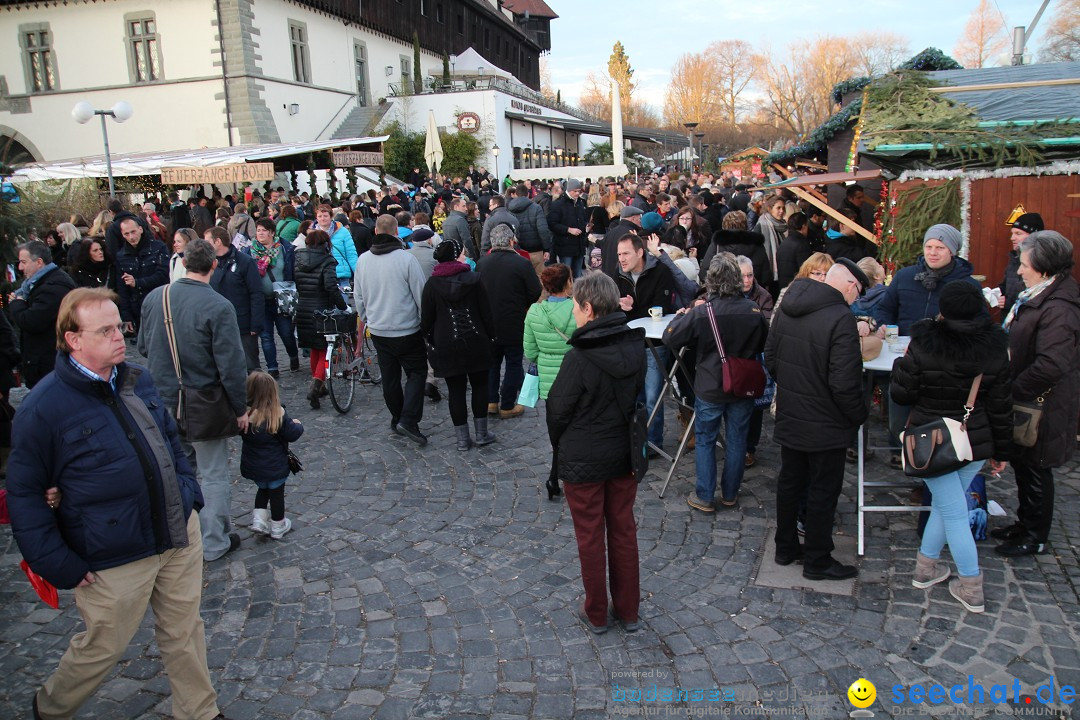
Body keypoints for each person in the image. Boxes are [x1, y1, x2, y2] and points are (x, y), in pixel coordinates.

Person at [8, 288, 223, 720]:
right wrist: (58, 563)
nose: (119, 336)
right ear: (73, 340)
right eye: (104, 330)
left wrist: (190, 494)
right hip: (114, 551)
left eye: (118, 325)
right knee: (103, 646)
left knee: (185, 630)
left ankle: (199, 711)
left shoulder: (137, 378)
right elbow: (25, 494)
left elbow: (169, 439)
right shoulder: (43, 408)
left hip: (177, 531)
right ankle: (49, 708)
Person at [890, 281, 1012, 613]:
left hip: (931, 442)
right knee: (949, 507)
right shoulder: (996, 348)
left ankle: (970, 586)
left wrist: (902, 365)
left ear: (943, 309)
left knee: (952, 510)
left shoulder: (923, 343)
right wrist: (1002, 451)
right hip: (974, 440)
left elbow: (902, 394)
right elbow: (1002, 406)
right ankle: (925, 568)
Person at [546, 272, 646, 634]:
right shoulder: (636, 346)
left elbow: (557, 410)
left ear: (588, 308)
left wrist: (561, 442)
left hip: (585, 459)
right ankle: (629, 610)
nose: (572, 312)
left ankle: (597, 613)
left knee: (590, 536)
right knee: (623, 530)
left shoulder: (579, 358)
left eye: (575, 305)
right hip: (623, 454)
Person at [138, 238, 249, 564]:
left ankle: (182, 537)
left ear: (183, 262)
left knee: (176, 470)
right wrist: (240, 408)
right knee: (213, 473)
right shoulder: (218, 305)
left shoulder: (155, 297)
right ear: (213, 265)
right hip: (204, 401)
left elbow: (144, 347)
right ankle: (214, 542)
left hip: (160, 400)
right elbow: (231, 366)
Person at [765, 258, 870, 581]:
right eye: (859, 292)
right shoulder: (840, 316)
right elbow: (845, 382)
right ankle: (818, 560)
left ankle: (785, 547)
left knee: (791, 482)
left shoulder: (789, 303)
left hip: (793, 411)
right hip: (826, 421)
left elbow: (771, 357)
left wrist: (795, 389)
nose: (857, 299)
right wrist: (858, 415)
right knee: (823, 490)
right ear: (851, 285)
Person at [995, 230, 1079, 557]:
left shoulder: (1059, 307)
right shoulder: (1039, 294)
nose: (1018, 270)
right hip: (1030, 400)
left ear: (1043, 267)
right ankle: (1024, 523)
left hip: (1044, 404)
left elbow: (1051, 365)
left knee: (1036, 467)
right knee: (1024, 464)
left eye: (1024, 263)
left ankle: (1035, 535)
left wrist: (1012, 391)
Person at [664, 253, 768, 512]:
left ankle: (705, 495)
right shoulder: (753, 311)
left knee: (706, 439)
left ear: (711, 280)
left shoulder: (704, 312)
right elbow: (764, 343)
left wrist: (680, 316)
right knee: (736, 440)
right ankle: (730, 493)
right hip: (743, 384)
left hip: (711, 384)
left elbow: (670, 338)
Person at [874, 224, 980, 466]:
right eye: (929, 246)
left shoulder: (967, 286)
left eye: (940, 247)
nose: (933, 252)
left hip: (943, 365)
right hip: (902, 357)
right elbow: (886, 309)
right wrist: (883, 325)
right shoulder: (904, 277)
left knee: (932, 415)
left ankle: (927, 457)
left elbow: (978, 323)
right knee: (898, 407)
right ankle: (898, 447)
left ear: (952, 251)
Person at [354, 214, 429, 445]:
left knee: (390, 377)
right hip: (406, 328)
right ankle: (407, 419)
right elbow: (420, 294)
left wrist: (368, 319)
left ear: (375, 232)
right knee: (417, 373)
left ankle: (397, 417)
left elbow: (358, 297)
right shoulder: (406, 260)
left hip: (379, 330)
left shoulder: (363, 260)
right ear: (397, 232)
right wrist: (423, 323)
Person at [421, 239, 498, 451]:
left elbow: (425, 320)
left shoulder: (432, 284)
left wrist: (432, 339)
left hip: (447, 344)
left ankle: (463, 439)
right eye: (462, 252)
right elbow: (486, 313)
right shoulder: (474, 279)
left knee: (456, 391)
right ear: (456, 256)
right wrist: (492, 337)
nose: (465, 255)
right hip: (476, 340)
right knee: (480, 387)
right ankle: (481, 433)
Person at [614, 233, 680, 453]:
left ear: (640, 252)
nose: (621, 259)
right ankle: (638, 441)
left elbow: (663, 309)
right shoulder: (618, 274)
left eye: (626, 254)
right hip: (629, 345)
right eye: (619, 254)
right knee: (635, 397)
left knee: (653, 396)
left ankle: (653, 443)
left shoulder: (660, 272)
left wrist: (633, 307)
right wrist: (617, 303)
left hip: (654, 344)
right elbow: (610, 308)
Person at [523, 264, 578, 499]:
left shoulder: (534, 312)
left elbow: (530, 352)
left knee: (555, 427)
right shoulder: (579, 309)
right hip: (574, 374)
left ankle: (555, 474)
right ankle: (569, 471)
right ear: (567, 284)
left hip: (549, 380)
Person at [477, 224, 542, 420]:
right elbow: (535, 291)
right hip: (513, 320)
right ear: (511, 240)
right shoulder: (521, 263)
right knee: (514, 363)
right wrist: (522, 304)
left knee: (492, 363)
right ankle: (507, 405)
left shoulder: (482, 263)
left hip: (488, 322)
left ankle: (491, 401)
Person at [241, 371, 304, 540]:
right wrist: (298, 425)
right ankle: (278, 524)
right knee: (276, 494)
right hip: (275, 465)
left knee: (262, 490)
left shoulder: (245, 417)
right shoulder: (278, 415)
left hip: (254, 466)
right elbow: (292, 434)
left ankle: (259, 520)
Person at [7, 240, 76, 388]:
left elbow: (31, 321)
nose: (20, 267)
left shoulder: (54, 286)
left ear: (39, 262)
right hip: (42, 362)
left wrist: (16, 303)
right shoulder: (37, 284)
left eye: (23, 262)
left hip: (50, 364)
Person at [293, 229, 347, 408]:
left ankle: (320, 383)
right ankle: (316, 386)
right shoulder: (327, 261)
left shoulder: (298, 259)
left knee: (315, 348)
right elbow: (331, 287)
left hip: (303, 308)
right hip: (322, 310)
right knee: (324, 348)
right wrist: (343, 306)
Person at [205, 226, 264, 373]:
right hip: (218, 323)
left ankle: (255, 393)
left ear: (217, 241)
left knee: (250, 366)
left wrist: (255, 324)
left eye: (207, 241)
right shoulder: (208, 264)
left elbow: (256, 293)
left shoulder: (245, 262)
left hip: (242, 323)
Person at [248, 217, 299, 377]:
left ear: (271, 232)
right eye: (258, 230)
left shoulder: (284, 248)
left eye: (264, 230)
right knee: (266, 336)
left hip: (281, 298)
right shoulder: (249, 251)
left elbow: (291, 271)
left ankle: (293, 355)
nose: (260, 233)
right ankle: (272, 367)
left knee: (286, 333)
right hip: (260, 300)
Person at [736, 255, 774, 469]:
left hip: (755, 356)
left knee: (755, 407)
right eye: (742, 276)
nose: (747, 280)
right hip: (735, 357)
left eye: (750, 275)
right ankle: (737, 445)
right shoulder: (727, 294)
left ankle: (750, 448)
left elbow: (766, 327)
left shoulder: (764, 296)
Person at [114, 217, 170, 336]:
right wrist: (126, 315)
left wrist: (138, 282)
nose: (131, 237)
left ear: (140, 229)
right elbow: (122, 288)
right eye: (126, 234)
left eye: (133, 232)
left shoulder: (158, 247)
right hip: (137, 308)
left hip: (159, 304)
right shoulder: (121, 255)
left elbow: (163, 275)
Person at [699, 210, 770, 288]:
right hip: (751, 290)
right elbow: (765, 275)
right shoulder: (757, 243)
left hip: (724, 292)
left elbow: (704, 273)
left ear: (724, 225)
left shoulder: (717, 244)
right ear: (745, 225)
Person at [997, 212, 1043, 313]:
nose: (1012, 238)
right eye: (1012, 233)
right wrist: (997, 294)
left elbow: (1037, 296)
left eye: (1018, 233)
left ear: (1033, 236)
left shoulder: (1043, 262)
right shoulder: (1014, 258)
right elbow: (1006, 286)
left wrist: (1010, 303)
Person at [508, 185, 553, 277]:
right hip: (536, 250)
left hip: (518, 250)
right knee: (540, 277)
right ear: (528, 194)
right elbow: (543, 230)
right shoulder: (536, 208)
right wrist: (546, 249)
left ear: (515, 194)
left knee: (522, 279)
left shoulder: (509, 209)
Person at [548, 178, 589, 279]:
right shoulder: (558, 204)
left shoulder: (581, 203)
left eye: (579, 191)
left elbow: (583, 219)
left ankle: (577, 294)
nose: (577, 193)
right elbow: (552, 224)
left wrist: (585, 227)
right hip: (565, 246)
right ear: (569, 190)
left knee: (578, 275)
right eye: (575, 191)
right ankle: (567, 294)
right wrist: (568, 230)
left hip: (579, 245)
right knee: (566, 275)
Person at [601, 206, 643, 278]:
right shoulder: (632, 233)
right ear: (633, 218)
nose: (640, 221)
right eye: (639, 218)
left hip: (608, 275)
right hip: (623, 275)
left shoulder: (610, 233)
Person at [442, 194, 476, 259]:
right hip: (462, 256)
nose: (466, 208)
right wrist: (472, 256)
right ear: (456, 207)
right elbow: (466, 240)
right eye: (463, 206)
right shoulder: (460, 220)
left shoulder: (446, 221)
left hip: (452, 255)